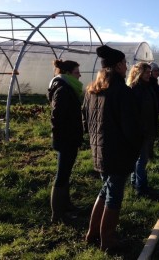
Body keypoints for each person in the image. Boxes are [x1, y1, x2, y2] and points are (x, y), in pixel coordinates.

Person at [82, 45, 142, 252]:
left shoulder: (91, 91)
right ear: (117, 66)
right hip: (118, 154)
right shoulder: (122, 92)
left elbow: (86, 123)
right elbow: (131, 128)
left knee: (105, 191)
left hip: (99, 152)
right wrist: (136, 147)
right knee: (113, 197)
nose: (127, 67)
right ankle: (107, 241)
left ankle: (92, 233)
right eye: (125, 63)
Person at [47, 59, 84, 223]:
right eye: (77, 72)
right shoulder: (62, 89)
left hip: (70, 137)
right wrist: (62, 138)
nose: (80, 75)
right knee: (62, 175)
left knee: (66, 172)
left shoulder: (68, 87)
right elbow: (57, 118)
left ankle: (66, 205)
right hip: (65, 139)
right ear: (68, 74)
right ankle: (57, 214)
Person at [127, 62, 159, 196]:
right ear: (138, 73)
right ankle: (142, 188)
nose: (149, 74)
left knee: (139, 159)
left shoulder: (147, 86)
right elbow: (135, 113)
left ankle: (135, 182)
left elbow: (151, 105)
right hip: (142, 130)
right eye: (146, 72)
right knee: (142, 160)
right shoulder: (135, 89)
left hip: (148, 127)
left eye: (149, 72)